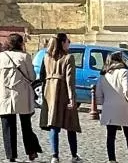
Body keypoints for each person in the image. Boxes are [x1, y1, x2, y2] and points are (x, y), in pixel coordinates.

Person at [0, 33, 44, 162]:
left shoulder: (0, 57)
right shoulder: (25, 57)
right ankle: (31, 152)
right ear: (20, 43)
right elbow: (32, 77)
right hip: (23, 94)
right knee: (26, 125)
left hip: (6, 94)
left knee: (7, 126)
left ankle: (10, 155)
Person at [40, 33, 83, 161]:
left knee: (53, 123)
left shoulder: (46, 57)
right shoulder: (69, 58)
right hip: (63, 91)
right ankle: (74, 155)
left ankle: (55, 156)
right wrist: (72, 98)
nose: (69, 44)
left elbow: (42, 75)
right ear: (63, 42)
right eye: (68, 41)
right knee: (71, 124)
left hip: (49, 92)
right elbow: (70, 80)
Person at [97, 53, 128, 162]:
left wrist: (105, 103)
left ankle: (112, 160)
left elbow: (98, 94)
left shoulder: (103, 74)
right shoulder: (124, 72)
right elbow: (127, 90)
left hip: (109, 107)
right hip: (124, 107)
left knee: (110, 136)